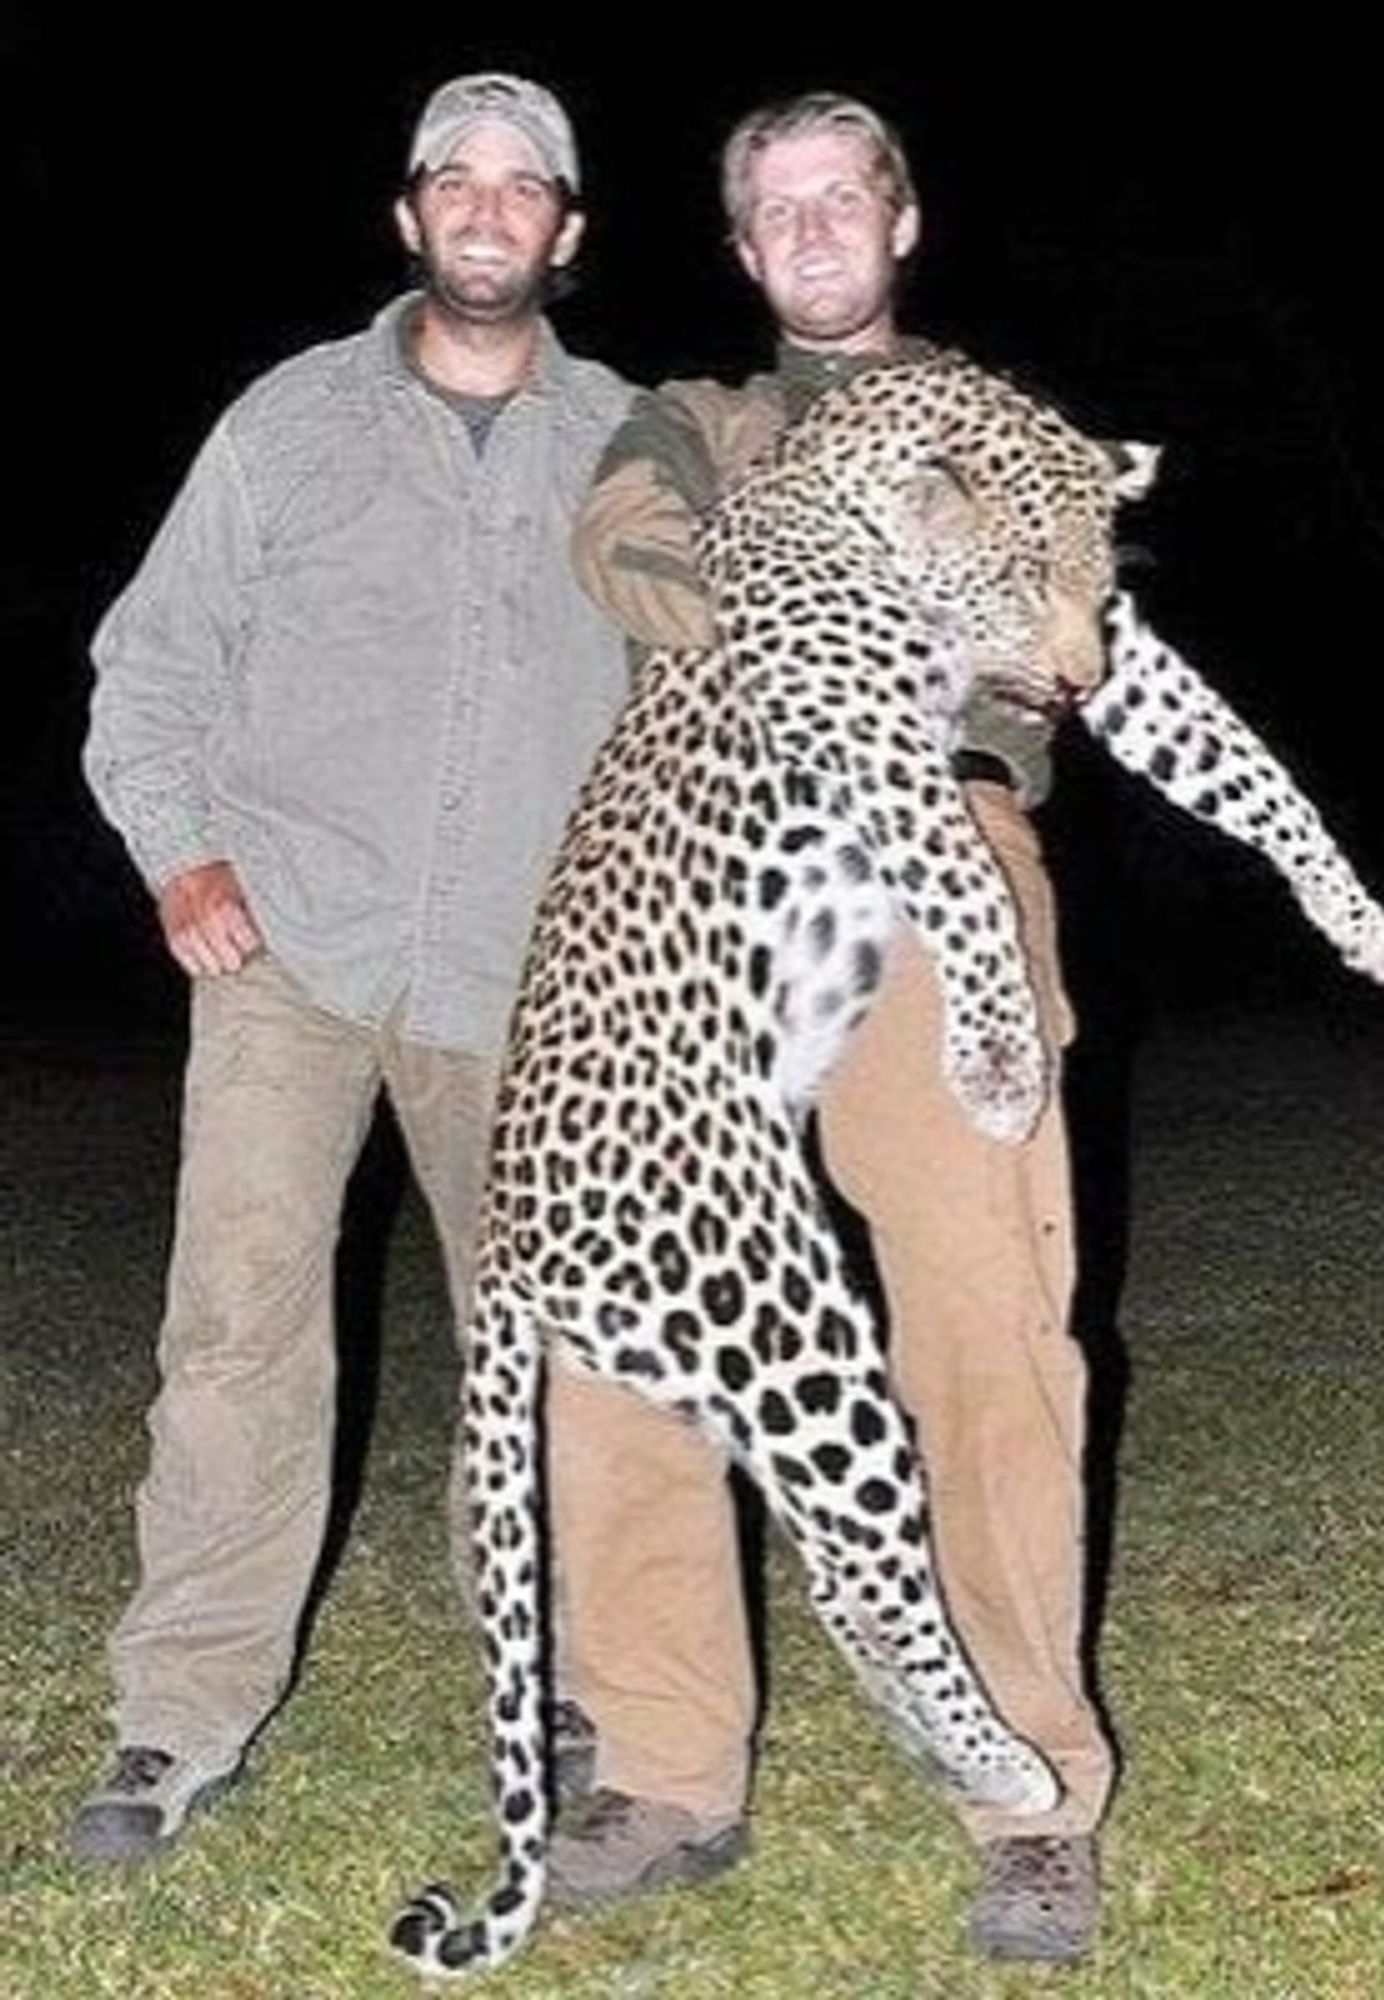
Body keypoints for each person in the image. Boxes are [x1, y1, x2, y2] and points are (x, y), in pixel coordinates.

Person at [547, 92, 1114, 1963]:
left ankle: (1031, 1793)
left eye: (837, 196)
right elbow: (624, 554)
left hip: (943, 845)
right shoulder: (692, 422)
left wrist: (977, 617)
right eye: (769, 208)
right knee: (627, 1317)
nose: (806, 228)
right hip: (693, 882)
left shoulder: (1000, 425)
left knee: (983, 1311)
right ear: (737, 249)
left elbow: (1061, 631)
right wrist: (885, 602)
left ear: (902, 217)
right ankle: (664, 1762)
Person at [69, 72, 633, 1863]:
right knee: (237, 1333)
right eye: (453, 179)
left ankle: (558, 1678)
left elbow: (706, 697)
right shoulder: (285, 424)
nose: (486, 208)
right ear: (407, 216)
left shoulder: (631, 447)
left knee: (543, 1348)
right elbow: (147, 671)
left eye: (521, 186)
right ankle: (178, 1717)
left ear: (566, 233)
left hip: (535, 979)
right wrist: (181, 856)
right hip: (292, 950)